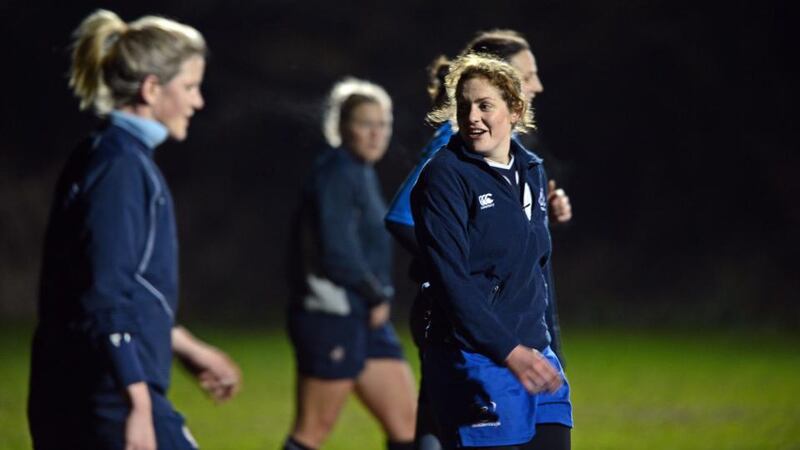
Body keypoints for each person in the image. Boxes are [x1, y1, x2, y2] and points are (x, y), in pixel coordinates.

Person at [28, 10, 241, 450]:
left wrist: (184, 346)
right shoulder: (120, 168)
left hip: (82, 387)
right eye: (189, 87)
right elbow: (106, 295)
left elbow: (122, 285)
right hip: (107, 394)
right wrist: (138, 403)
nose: (198, 101)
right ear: (150, 88)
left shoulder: (108, 155)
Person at [385, 30, 572, 450]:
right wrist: (502, 339)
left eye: (484, 105)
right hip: (480, 355)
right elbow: (451, 275)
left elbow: (525, 258)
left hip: (534, 353)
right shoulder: (445, 173)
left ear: (515, 109)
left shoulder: (531, 170)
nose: (472, 116)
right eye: (465, 106)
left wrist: (540, 344)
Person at [285, 77, 417, 450]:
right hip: (332, 315)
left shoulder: (360, 171)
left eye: (383, 124)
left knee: (408, 425)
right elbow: (336, 249)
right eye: (365, 124)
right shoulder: (336, 172)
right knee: (313, 431)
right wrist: (374, 294)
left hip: (363, 316)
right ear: (341, 127)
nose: (376, 134)